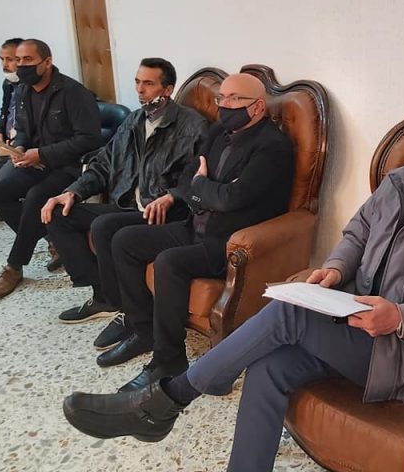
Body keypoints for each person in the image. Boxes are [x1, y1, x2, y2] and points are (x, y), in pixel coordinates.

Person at [62, 93, 404, 471]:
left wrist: (402, 316)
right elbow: (358, 233)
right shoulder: (401, 181)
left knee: (289, 313)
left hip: (401, 348)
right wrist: (335, 268)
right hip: (354, 320)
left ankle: (168, 400)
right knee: (269, 366)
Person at [79, 72, 296, 391]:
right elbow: (191, 178)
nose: (225, 105)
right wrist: (204, 190)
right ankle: (143, 330)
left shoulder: (272, 148)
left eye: (235, 99)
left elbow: (232, 198)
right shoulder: (220, 131)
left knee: (169, 262)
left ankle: (169, 360)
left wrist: (203, 186)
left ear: (258, 107)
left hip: (228, 242)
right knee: (125, 240)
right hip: (195, 226)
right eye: (222, 98)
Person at [41, 57, 208, 352]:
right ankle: (104, 296)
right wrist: (73, 192)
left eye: (148, 84)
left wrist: (173, 195)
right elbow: (104, 163)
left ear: (167, 89)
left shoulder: (192, 126)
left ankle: (127, 313)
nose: (140, 90)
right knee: (58, 212)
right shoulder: (134, 121)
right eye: (137, 82)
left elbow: (199, 174)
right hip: (126, 203)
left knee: (104, 226)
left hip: (161, 210)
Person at [0, 39, 102, 298]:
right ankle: (51, 239)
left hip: (69, 166)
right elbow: (22, 128)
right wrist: (19, 148)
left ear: (47, 62)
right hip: (33, 161)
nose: (21, 66)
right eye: (18, 60)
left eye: (28, 60)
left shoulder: (74, 93)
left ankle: (14, 266)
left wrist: (42, 154)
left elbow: (90, 139)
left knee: (36, 198)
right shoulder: (23, 90)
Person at [0, 37, 24, 174]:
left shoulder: (33, 87)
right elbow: (5, 110)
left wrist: (17, 141)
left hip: (20, 146)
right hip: (4, 143)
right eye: (2, 59)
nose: (4, 64)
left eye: (10, 59)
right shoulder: (7, 83)